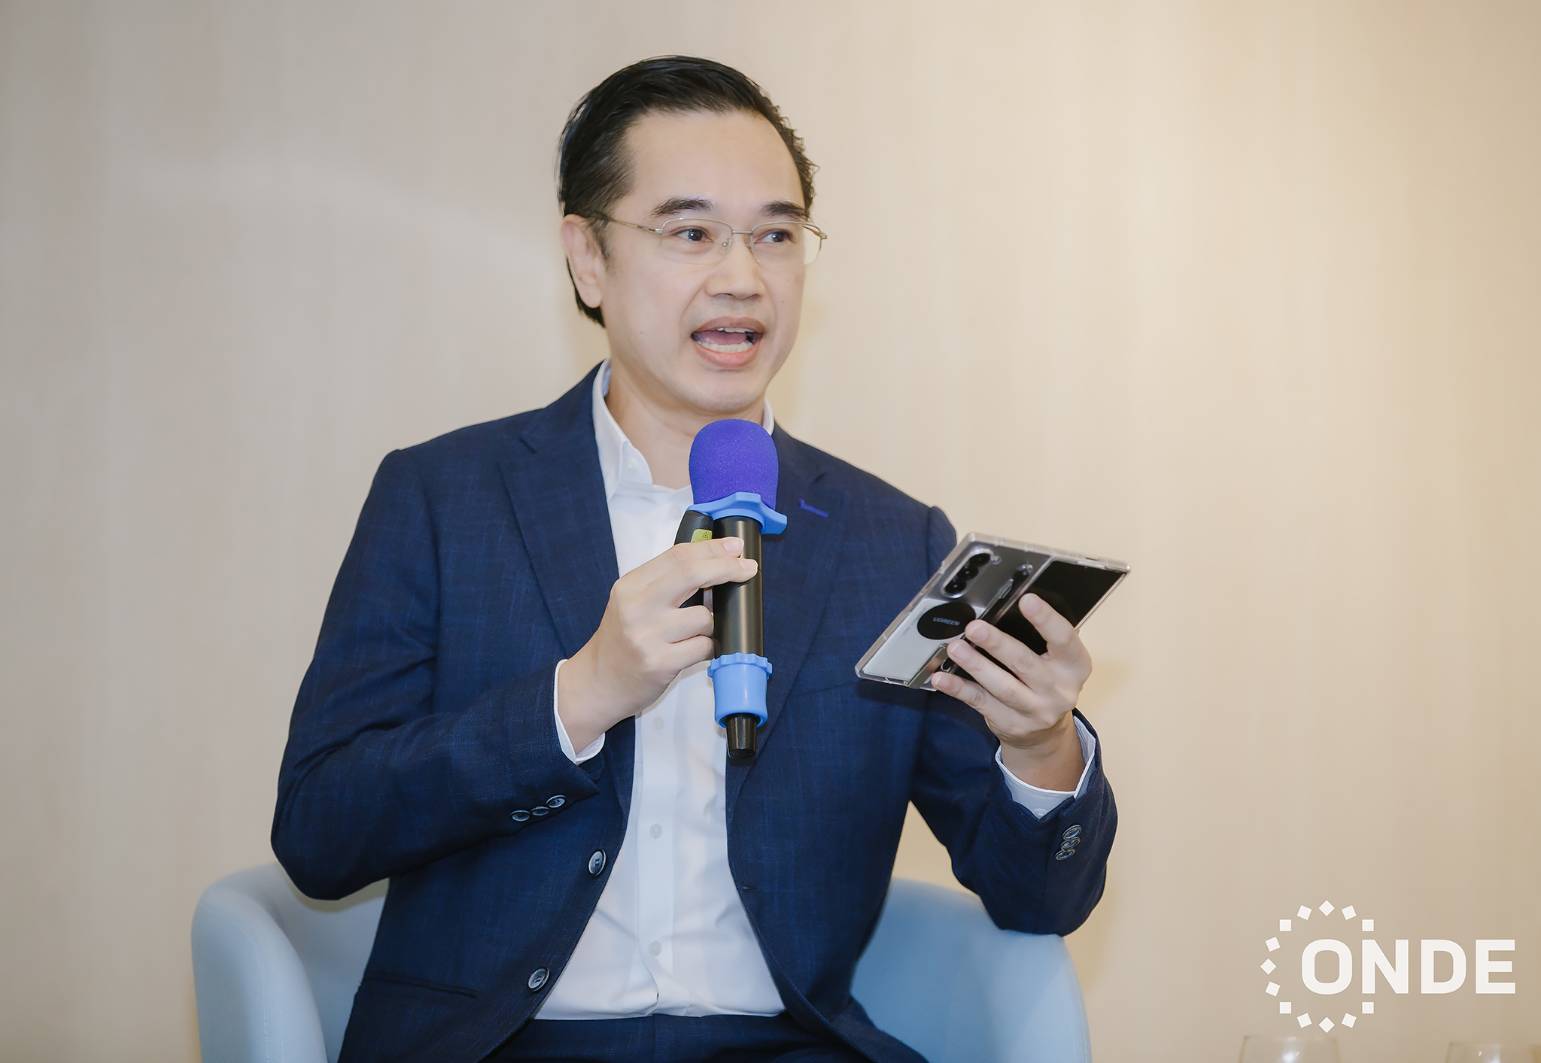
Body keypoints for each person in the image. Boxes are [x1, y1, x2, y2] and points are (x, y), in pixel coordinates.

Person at [272, 55, 1116, 1063]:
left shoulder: (889, 539)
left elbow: (1037, 899)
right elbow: (321, 830)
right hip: (502, 1044)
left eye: (774, 234)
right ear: (587, 258)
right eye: (689, 233)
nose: (741, 277)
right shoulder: (444, 497)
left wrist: (1040, 749)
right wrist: (578, 695)